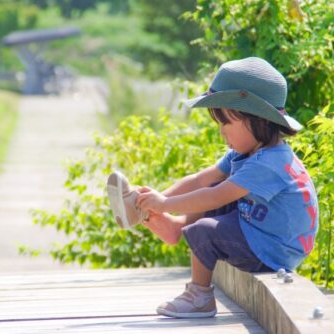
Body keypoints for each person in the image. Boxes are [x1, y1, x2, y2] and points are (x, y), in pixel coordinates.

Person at [107, 57, 318, 319]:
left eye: (225, 122)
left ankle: (200, 297)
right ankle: (163, 221)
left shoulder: (270, 162)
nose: (221, 132)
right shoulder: (246, 153)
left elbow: (215, 196)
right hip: (260, 230)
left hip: (273, 250)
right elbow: (199, 181)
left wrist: (164, 204)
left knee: (205, 231)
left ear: (257, 120)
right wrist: (156, 198)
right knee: (214, 184)